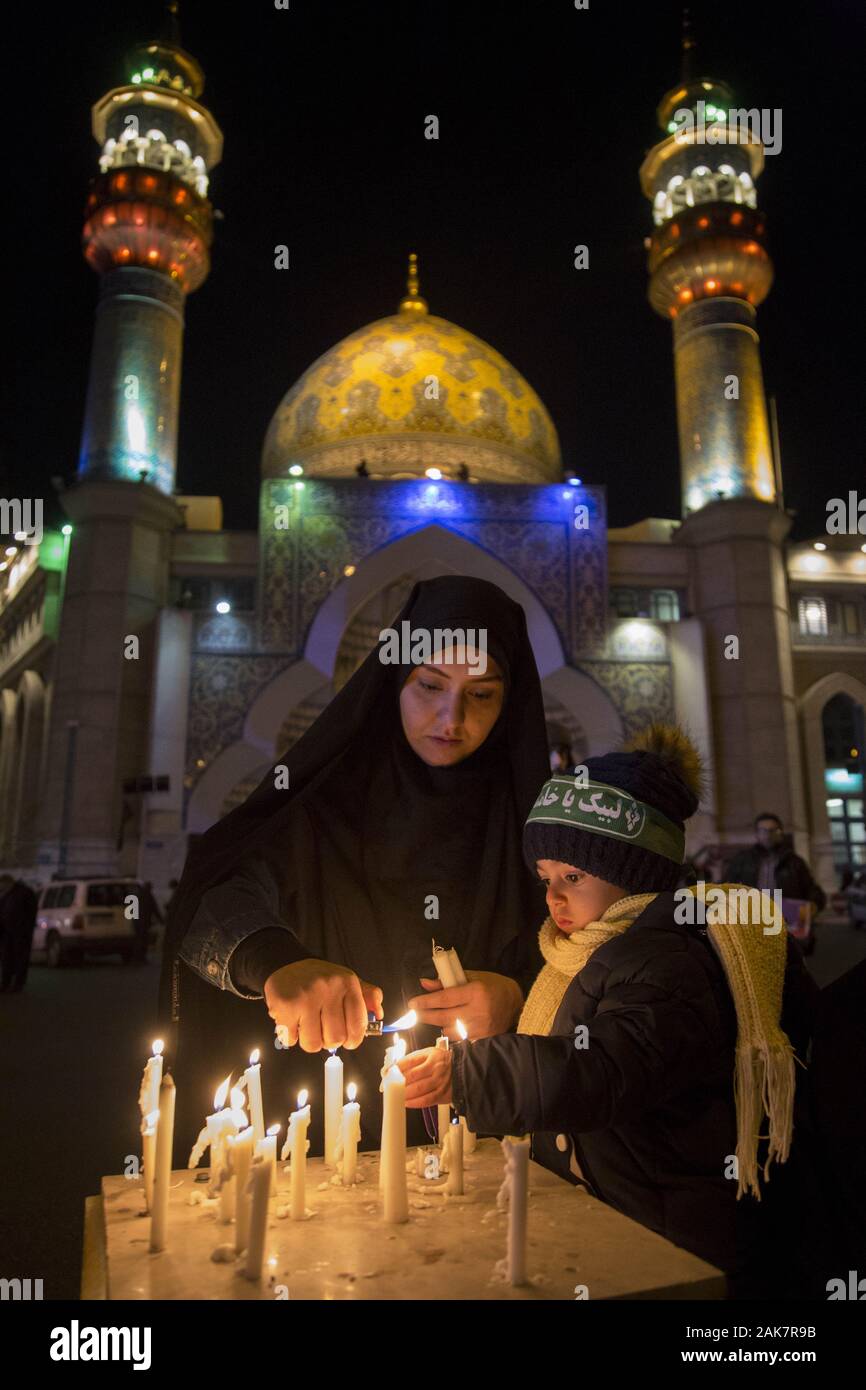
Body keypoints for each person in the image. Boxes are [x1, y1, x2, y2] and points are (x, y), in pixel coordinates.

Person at [398, 725, 831, 1297]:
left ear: (635, 872)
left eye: (573, 877)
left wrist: (475, 1073)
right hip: (621, 1209)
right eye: (546, 878)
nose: (553, 897)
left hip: (675, 1242)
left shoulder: (671, 962)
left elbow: (605, 1068)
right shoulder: (587, 952)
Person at [158, 576, 550, 1164]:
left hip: (494, 1144)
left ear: (510, 700)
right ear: (395, 679)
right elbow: (214, 897)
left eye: (483, 694)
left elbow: (588, 949)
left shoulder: (533, 824)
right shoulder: (323, 802)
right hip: (322, 1148)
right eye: (430, 685)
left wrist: (520, 995)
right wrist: (277, 964)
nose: (452, 716)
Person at [725, 814, 826, 913]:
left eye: (773, 830)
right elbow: (727, 886)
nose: (768, 835)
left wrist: (814, 905)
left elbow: (811, 890)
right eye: (763, 830)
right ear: (756, 834)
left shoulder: (794, 862)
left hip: (784, 916)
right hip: (751, 915)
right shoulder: (742, 860)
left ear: (780, 833)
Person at [0, 874, 38, 993]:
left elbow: (31, 912)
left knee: (20, 958)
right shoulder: (7, 894)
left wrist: (26, 928)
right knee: (7, 958)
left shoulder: (24, 893)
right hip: (7, 932)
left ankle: (17, 984)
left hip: (20, 932)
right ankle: (6, 983)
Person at [132, 881, 164, 963]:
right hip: (144, 921)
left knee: (138, 939)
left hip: (136, 921)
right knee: (143, 939)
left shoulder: (137, 895)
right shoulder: (148, 896)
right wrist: (162, 921)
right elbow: (155, 909)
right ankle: (141, 957)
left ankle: (137, 957)